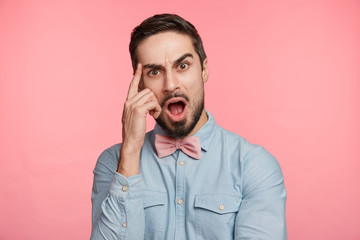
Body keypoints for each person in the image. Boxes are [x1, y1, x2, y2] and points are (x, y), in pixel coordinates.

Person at [91, 13, 287, 240]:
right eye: (154, 72)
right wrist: (131, 152)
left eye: (182, 66)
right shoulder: (112, 163)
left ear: (203, 70)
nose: (171, 85)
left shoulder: (255, 166)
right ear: (139, 85)